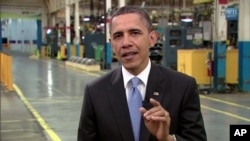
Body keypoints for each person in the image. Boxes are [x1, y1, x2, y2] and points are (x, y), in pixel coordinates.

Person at [77, 6, 207, 141]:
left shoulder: (183, 87)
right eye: (118, 36)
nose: (126, 43)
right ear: (112, 44)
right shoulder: (95, 92)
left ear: (152, 38)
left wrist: (168, 139)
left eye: (134, 33)